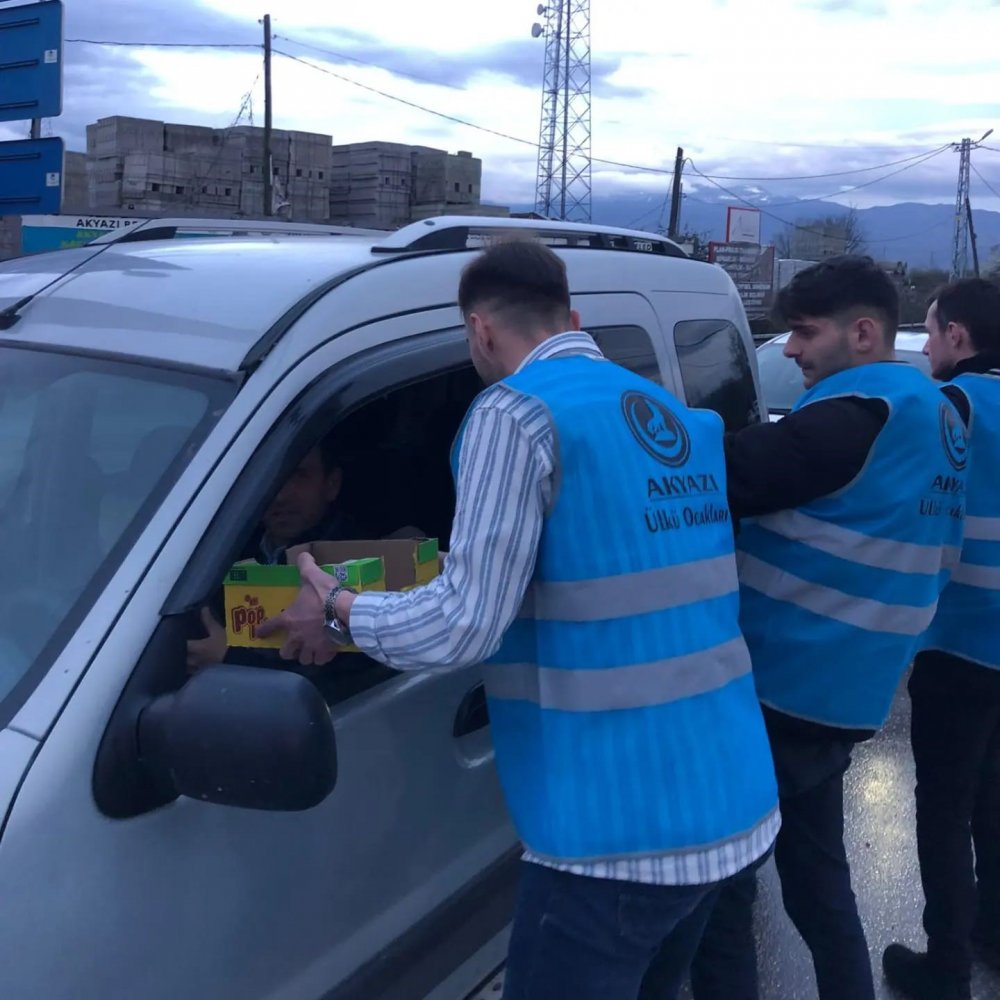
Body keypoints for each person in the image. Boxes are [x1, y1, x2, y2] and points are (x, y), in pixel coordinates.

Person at [259, 239, 780, 1000]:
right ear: (570, 318)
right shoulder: (675, 419)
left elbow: (464, 625)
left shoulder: (517, 416)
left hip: (613, 837)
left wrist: (335, 610)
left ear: (479, 331)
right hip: (729, 796)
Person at [683, 256, 966, 1000]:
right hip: (849, 690)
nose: (791, 350)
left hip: (781, 686)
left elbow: (709, 473)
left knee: (721, 892)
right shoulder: (934, 412)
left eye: (804, 333)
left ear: (864, 332)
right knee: (816, 882)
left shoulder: (852, 415)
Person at [882, 278, 1000, 1000]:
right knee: (994, 798)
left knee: (944, 808)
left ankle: (946, 971)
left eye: (929, 332)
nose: (925, 348)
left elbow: (903, 506)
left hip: (959, 642)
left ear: (959, 336)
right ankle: (993, 931)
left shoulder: (949, 406)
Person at [186, 440, 360, 672]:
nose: (279, 495)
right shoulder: (220, 550)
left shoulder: (359, 562)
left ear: (331, 484)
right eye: (268, 478)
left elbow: (346, 682)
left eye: (298, 476)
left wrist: (230, 659)